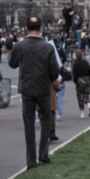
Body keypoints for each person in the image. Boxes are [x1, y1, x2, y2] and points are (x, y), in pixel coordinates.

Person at [9, 17, 60, 169]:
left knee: (29, 124)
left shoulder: (19, 46)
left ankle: (31, 160)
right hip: (43, 88)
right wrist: (48, 79)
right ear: (41, 28)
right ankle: (43, 152)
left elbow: (12, 64)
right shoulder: (47, 47)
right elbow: (55, 72)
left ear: (26, 28)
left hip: (26, 89)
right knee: (46, 120)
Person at [71, 50, 90, 119]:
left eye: (74, 55)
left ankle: (82, 112)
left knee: (80, 96)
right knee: (86, 95)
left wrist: (75, 81)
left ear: (77, 56)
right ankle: (89, 105)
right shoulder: (86, 62)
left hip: (80, 81)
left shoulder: (76, 64)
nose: (72, 56)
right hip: (87, 80)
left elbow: (75, 75)